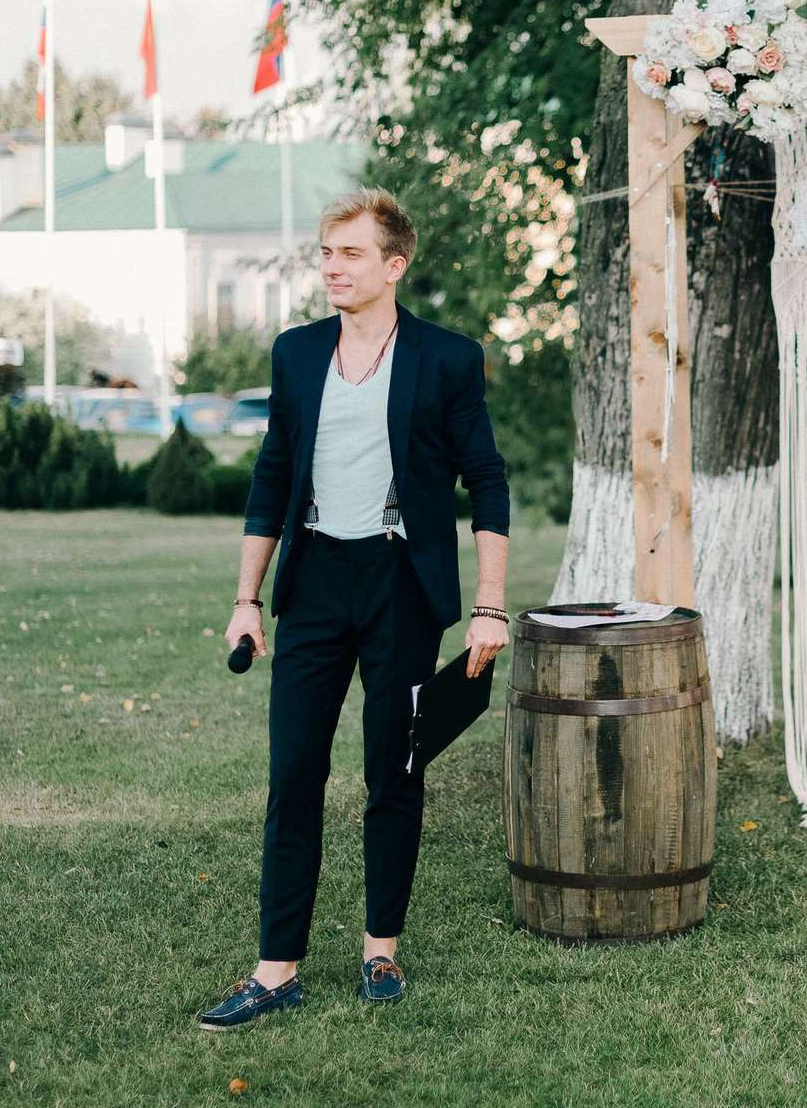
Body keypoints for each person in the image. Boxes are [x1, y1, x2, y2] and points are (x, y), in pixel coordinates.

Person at [197, 189, 510, 1030]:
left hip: (400, 584)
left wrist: (489, 608)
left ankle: (381, 950)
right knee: (293, 771)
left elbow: (486, 480)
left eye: (351, 254)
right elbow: (272, 474)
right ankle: (276, 968)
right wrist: (246, 599)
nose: (333, 267)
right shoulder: (297, 354)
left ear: (394, 264)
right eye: (327, 254)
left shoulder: (446, 358)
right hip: (314, 582)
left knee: (394, 771)